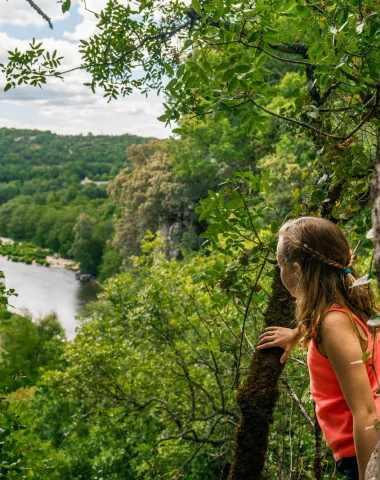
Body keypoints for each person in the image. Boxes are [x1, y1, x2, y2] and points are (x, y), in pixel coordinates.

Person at [256, 217, 380, 480]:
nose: (280, 273)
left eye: (281, 266)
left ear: (298, 270)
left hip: (366, 452)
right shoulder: (346, 308)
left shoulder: (333, 325)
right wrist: (296, 333)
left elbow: (365, 412)